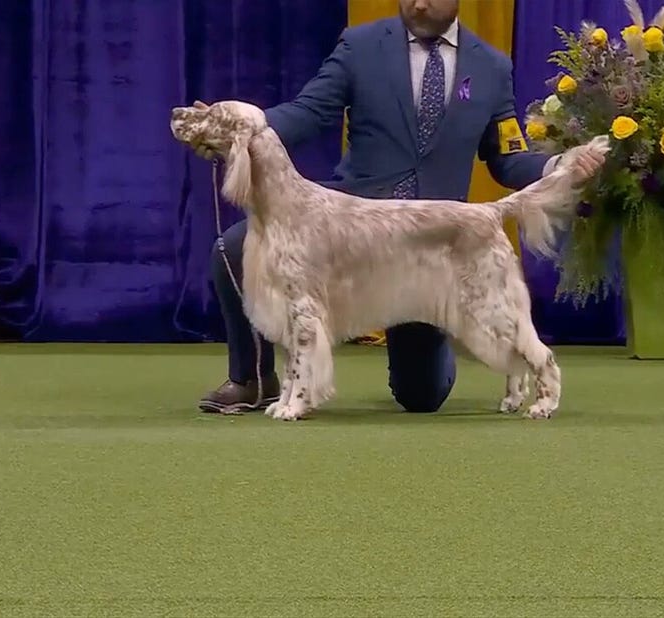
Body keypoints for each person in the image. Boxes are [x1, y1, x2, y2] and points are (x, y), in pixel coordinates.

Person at [193, 0, 605, 414]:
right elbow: (308, 112)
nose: (418, 3)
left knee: (421, 395)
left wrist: (557, 166)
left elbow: (507, 157)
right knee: (232, 246)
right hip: (349, 232)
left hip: (431, 242)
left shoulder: (492, 66)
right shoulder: (361, 45)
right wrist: (242, 125)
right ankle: (253, 378)